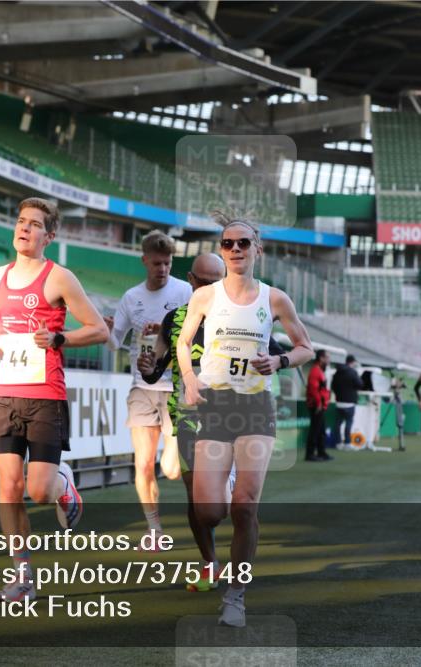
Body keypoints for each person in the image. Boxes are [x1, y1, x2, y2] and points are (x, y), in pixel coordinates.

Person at [178, 213, 314, 628]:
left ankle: (236, 596)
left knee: (245, 506)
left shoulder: (275, 299)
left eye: (243, 243)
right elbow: (183, 343)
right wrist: (189, 380)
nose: (235, 249)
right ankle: (228, 479)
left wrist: (279, 360)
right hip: (215, 405)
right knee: (208, 511)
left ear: (258, 249)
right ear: (221, 251)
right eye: (228, 243)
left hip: (255, 407)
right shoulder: (205, 297)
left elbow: (305, 347)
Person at [0, 197, 109, 602]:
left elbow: (99, 329)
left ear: (49, 236)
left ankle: (63, 485)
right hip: (4, 394)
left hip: (45, 395)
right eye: (21, 221)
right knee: (8, 486)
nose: (24, 228)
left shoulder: (60, 278)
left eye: (34, 224)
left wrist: (58, 338)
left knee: (38, 491)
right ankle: (22, 577)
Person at [137, 253, 288, 593]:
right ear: (191, 281)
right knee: (196, 497)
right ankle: (209, 563)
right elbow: (156, 370)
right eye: (202, 281)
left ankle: (235, 571)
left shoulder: (241, 313)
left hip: (235, 413)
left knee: (237, 505)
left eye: (214, 280)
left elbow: (275, 351)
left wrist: (275, 362)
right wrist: (147, 368)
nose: (209, 287)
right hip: (188, 416)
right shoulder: (176, 319)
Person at [105, 230, 192, 544]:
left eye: (168, 263)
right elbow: (114, 343)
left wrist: (167, 331)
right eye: (157, 263)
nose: (163, 269)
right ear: (145, 261)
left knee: (172, 469)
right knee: (142, 464)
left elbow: (197, 333)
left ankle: (176, 458)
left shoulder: (185, 291)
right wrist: (106, 331)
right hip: (142, 387)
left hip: (175, 387)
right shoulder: (132, 297)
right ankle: (154, 530)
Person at [305, 349, 331, 461]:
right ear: (321, 358)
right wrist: (319, 404)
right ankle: (310, 454)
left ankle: (321, 452)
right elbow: (313, 389)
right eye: (327, 358)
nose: (329, 360)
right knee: (315, 430)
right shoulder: (316, 371)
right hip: (316, 405)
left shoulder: (319, 370)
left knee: (321, 431)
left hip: (320, 405)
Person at [330, 354, 361, 449]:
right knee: (348, 423)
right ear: (353, 362)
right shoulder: (353, 372)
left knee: (338, 424)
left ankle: (338, 443)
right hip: (350, 403)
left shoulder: (337, 372)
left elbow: (333, 386)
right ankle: (347, 443)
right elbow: (360, 384)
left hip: (339, 402)